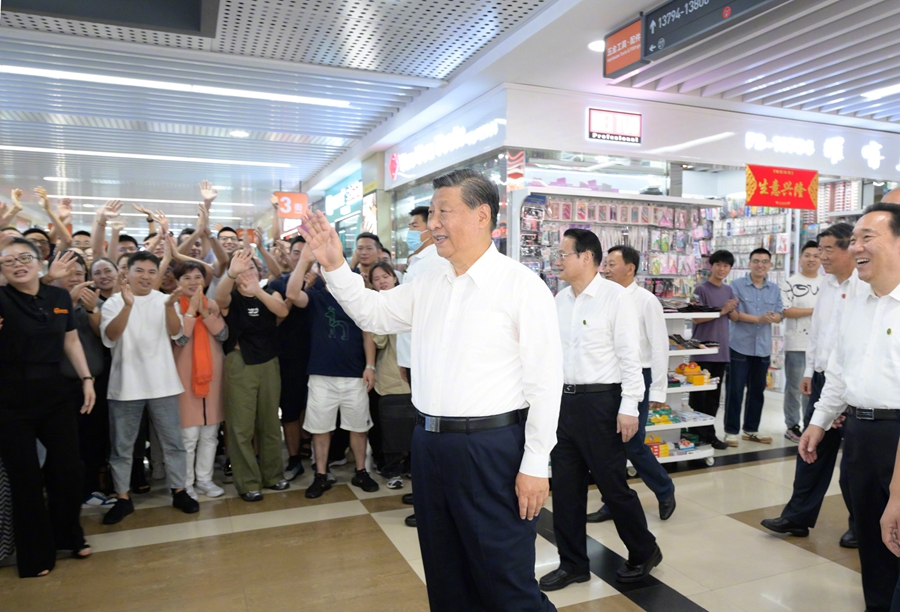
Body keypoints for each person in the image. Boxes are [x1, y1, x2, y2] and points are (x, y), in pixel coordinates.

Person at [299, 169, 562, 612]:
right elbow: (375, 314)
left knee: (505, 580)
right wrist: (335, 265)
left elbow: (545, 382)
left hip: (491, 448)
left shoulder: (521, 287)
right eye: (432, 212)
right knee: (445, 574)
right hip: (430, 444)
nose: (433, 222)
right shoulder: (430, 281)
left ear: (482, 216)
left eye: (444, 211)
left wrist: (536, 463)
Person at [540, 230, 660, 592]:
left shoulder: (615, 298)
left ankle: (644, 550)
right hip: (564, 403)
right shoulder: (559, 300)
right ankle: (573, 563)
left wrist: (629, 408)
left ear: (587, 257)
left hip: (602, 404)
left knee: (612, 484)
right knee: (564, 488)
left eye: (563, 255)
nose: (557, 261)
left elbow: (630, 357)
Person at [799, 203, 900, 612]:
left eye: (866, 238)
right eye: (853, 239)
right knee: (871, 538)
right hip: (859, 433)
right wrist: (819, 422)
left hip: (897, 436)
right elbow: (839, 372)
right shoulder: (856, 303)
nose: (855, 246)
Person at [0, 235, 96, 577]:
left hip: (55, 393)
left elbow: (71, 339)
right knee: (25, 480)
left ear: (39, 261)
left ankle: (68, 535)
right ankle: (35, 555)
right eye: (8, 261)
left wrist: (87, 379)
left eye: (24, 258)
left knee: (69, 470)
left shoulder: (57, 296)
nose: (18, 265)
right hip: (9, 400)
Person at [761, 224, 858, 547]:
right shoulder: (828, 286)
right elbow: (819, 332)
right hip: (822, 377)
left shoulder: (864, 285)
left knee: (856, 462)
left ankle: (860, 524)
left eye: (828, 250)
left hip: (851, 385)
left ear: (849, 249)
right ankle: (798, 516)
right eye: (819, 251)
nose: (821, 257)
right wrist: (809, 370)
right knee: (811, 447)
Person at [100, 251, 199, 524]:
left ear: (158, 275)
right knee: (122, 447)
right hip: (124, 387)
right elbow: (110, 336)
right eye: (139, 271)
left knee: (174, 443)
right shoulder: (113, 302)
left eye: (151, 272)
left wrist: (169, 308)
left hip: (163, 384)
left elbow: (177, 334)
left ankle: (179, 490)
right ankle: (122, 498)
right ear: (127, 273)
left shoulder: (165, 300)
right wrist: (128, 306)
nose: (145, 276)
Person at [587, 245, 675, 524]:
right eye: (606, 264)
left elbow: (660, 347)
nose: (606, 269)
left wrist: (659, 389)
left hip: (640, 376)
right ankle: (612, 502)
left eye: (613, 264)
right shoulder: (602, 298)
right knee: (608, 445)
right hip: (609, 379)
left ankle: (664, 489)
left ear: (631, 268)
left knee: (631, 441)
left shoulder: (647, 301)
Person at [285, 245, 379, 499]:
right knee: (320, 428)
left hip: (354, 375)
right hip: (321, 375)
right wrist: (304, 261)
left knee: (359, 427)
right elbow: (292, 293)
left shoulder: (356, 296)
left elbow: (367, 333)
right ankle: (321, 475)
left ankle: (361, 471)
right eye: (324, 268)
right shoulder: (316, 297)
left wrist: (370, 366)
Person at [215, 249, 290, 502]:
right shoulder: (231, 298)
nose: (247, 274)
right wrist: (231, 273)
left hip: (269, 363)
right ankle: (248, 482)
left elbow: (282, 311)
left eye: (251, 269)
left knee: (270, 423)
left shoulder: (270, 294)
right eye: (242, 270)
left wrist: (258, 290)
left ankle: (273, 475)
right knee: (240, 428)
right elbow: (219, 297)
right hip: (240, 364)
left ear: (259, 273)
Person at [172, 261, 228, 500]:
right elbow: (180, 339)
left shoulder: (212, 304)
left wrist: (203, 312)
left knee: (210, 433)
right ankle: (186, 484)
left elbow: (223, 334)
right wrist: (189, 312)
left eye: (197, 277)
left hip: (213, 378)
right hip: (184, 378)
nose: (193, 282)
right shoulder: (172, 307)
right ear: (177, 283)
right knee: (188, 437)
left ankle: (205, 479)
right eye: (186, 278)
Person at [268, 236, 320, 480]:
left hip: (321, 360)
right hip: (289, 359)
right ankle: (294, 459)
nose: (303, 256)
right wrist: (301, 291)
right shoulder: (279, 285)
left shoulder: (327, 284)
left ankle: (318, 457)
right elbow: (277, 319)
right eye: (298, 252)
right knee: (290, 411)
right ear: (290, 256)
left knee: (316, 411)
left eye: (307, 251)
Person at [724, 247, 783, 447]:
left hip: (763, 348)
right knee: (735, 391)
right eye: (756, 261)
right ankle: (731, 432)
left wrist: (772, 317)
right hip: (739, 345)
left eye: (764, 261)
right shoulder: (736, 285)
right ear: (749, 263)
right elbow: (735, 314)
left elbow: (780, 313)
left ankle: (751, 429)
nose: (760, 265)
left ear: (769, 265)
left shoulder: (774, 289)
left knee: (757, 392)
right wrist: (759, 318)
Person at [688, 250, 739, 449]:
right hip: (702, 351)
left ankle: (709, 432)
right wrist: (722, 311)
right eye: (718, 264)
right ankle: (697, 432)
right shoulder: (701, 290)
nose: (722, 269)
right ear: (711, 265)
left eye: (726, 266)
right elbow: (696, 317)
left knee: (714, 397)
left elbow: (734, 317)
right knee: (698, 396)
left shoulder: (728, 291)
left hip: (721, 352)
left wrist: (732, 309)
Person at [368, 261, 412, 490]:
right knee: (391, 427)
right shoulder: (377, 308)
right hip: (390, 375)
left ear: (395, 277)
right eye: (377, 279)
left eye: (386, 276)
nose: (383, 281)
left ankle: (411, 467)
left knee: (415, 426)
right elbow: (378, 340)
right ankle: (392, 470)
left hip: (414, 378)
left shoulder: (410, 301)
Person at [781, 241, 822, 442]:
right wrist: (816, 311)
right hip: (797, 343)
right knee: (795, 387)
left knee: (814, 388)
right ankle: (792, 425)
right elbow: (786, 310)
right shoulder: (790, 282)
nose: (812, 259)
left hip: (821, 346)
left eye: (816, 255)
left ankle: (810, 424)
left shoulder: (827, 283)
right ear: (800, 258)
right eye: (808, 255)